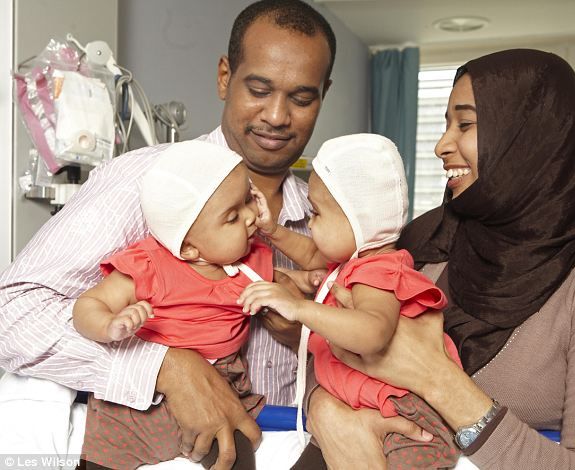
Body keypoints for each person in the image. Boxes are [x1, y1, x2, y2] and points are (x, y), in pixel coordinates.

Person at [0, 1, 342, 468]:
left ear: (324, 94)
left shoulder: (330, 223)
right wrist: (164, 367)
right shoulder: (139, 181)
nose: (278, 116)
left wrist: (308, 329)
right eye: (259, 89)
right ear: (225, 77)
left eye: (302, 98)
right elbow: (13, 313)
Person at [305, 49, 575, 469]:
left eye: (466, 123)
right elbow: (329, 349)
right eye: (445, 124)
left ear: (528, 137)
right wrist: (324, 411)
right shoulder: (420, 244)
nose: (442, 144)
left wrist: (438, 380)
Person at [239, 133, 463, 469]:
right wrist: (272, 231)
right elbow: (313, 253)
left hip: (402, 418)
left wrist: (300, 308)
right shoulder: (355, 260)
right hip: (354, 410)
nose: (309, 222)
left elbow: (373, 333)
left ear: (358, 222)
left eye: (316, 213)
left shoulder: (379, 273)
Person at [73, 141, 275, 469]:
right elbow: (87, 305)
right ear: (190, 249)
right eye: (233, 216)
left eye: (248, 199)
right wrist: (110, 325)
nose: (252, 216)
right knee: (104, 454)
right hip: (141, 401)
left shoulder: (252, 262)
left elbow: (286, 288)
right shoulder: (149, 266)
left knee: (234, 453)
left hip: (221, 387)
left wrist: (304, 285)